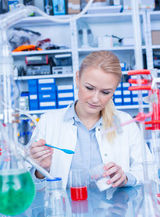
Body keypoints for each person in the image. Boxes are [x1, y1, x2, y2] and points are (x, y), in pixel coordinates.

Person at [29, 50, 152, 189]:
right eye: (89, 88)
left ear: (114, 90)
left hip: (116, 208)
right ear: (77, 78)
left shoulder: (125, 122)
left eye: (105, 92)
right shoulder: (49, 122)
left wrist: (126, 178)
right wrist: (41, 170)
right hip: (63, 209)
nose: (95, 99)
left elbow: (148, 169)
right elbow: (29, 183)